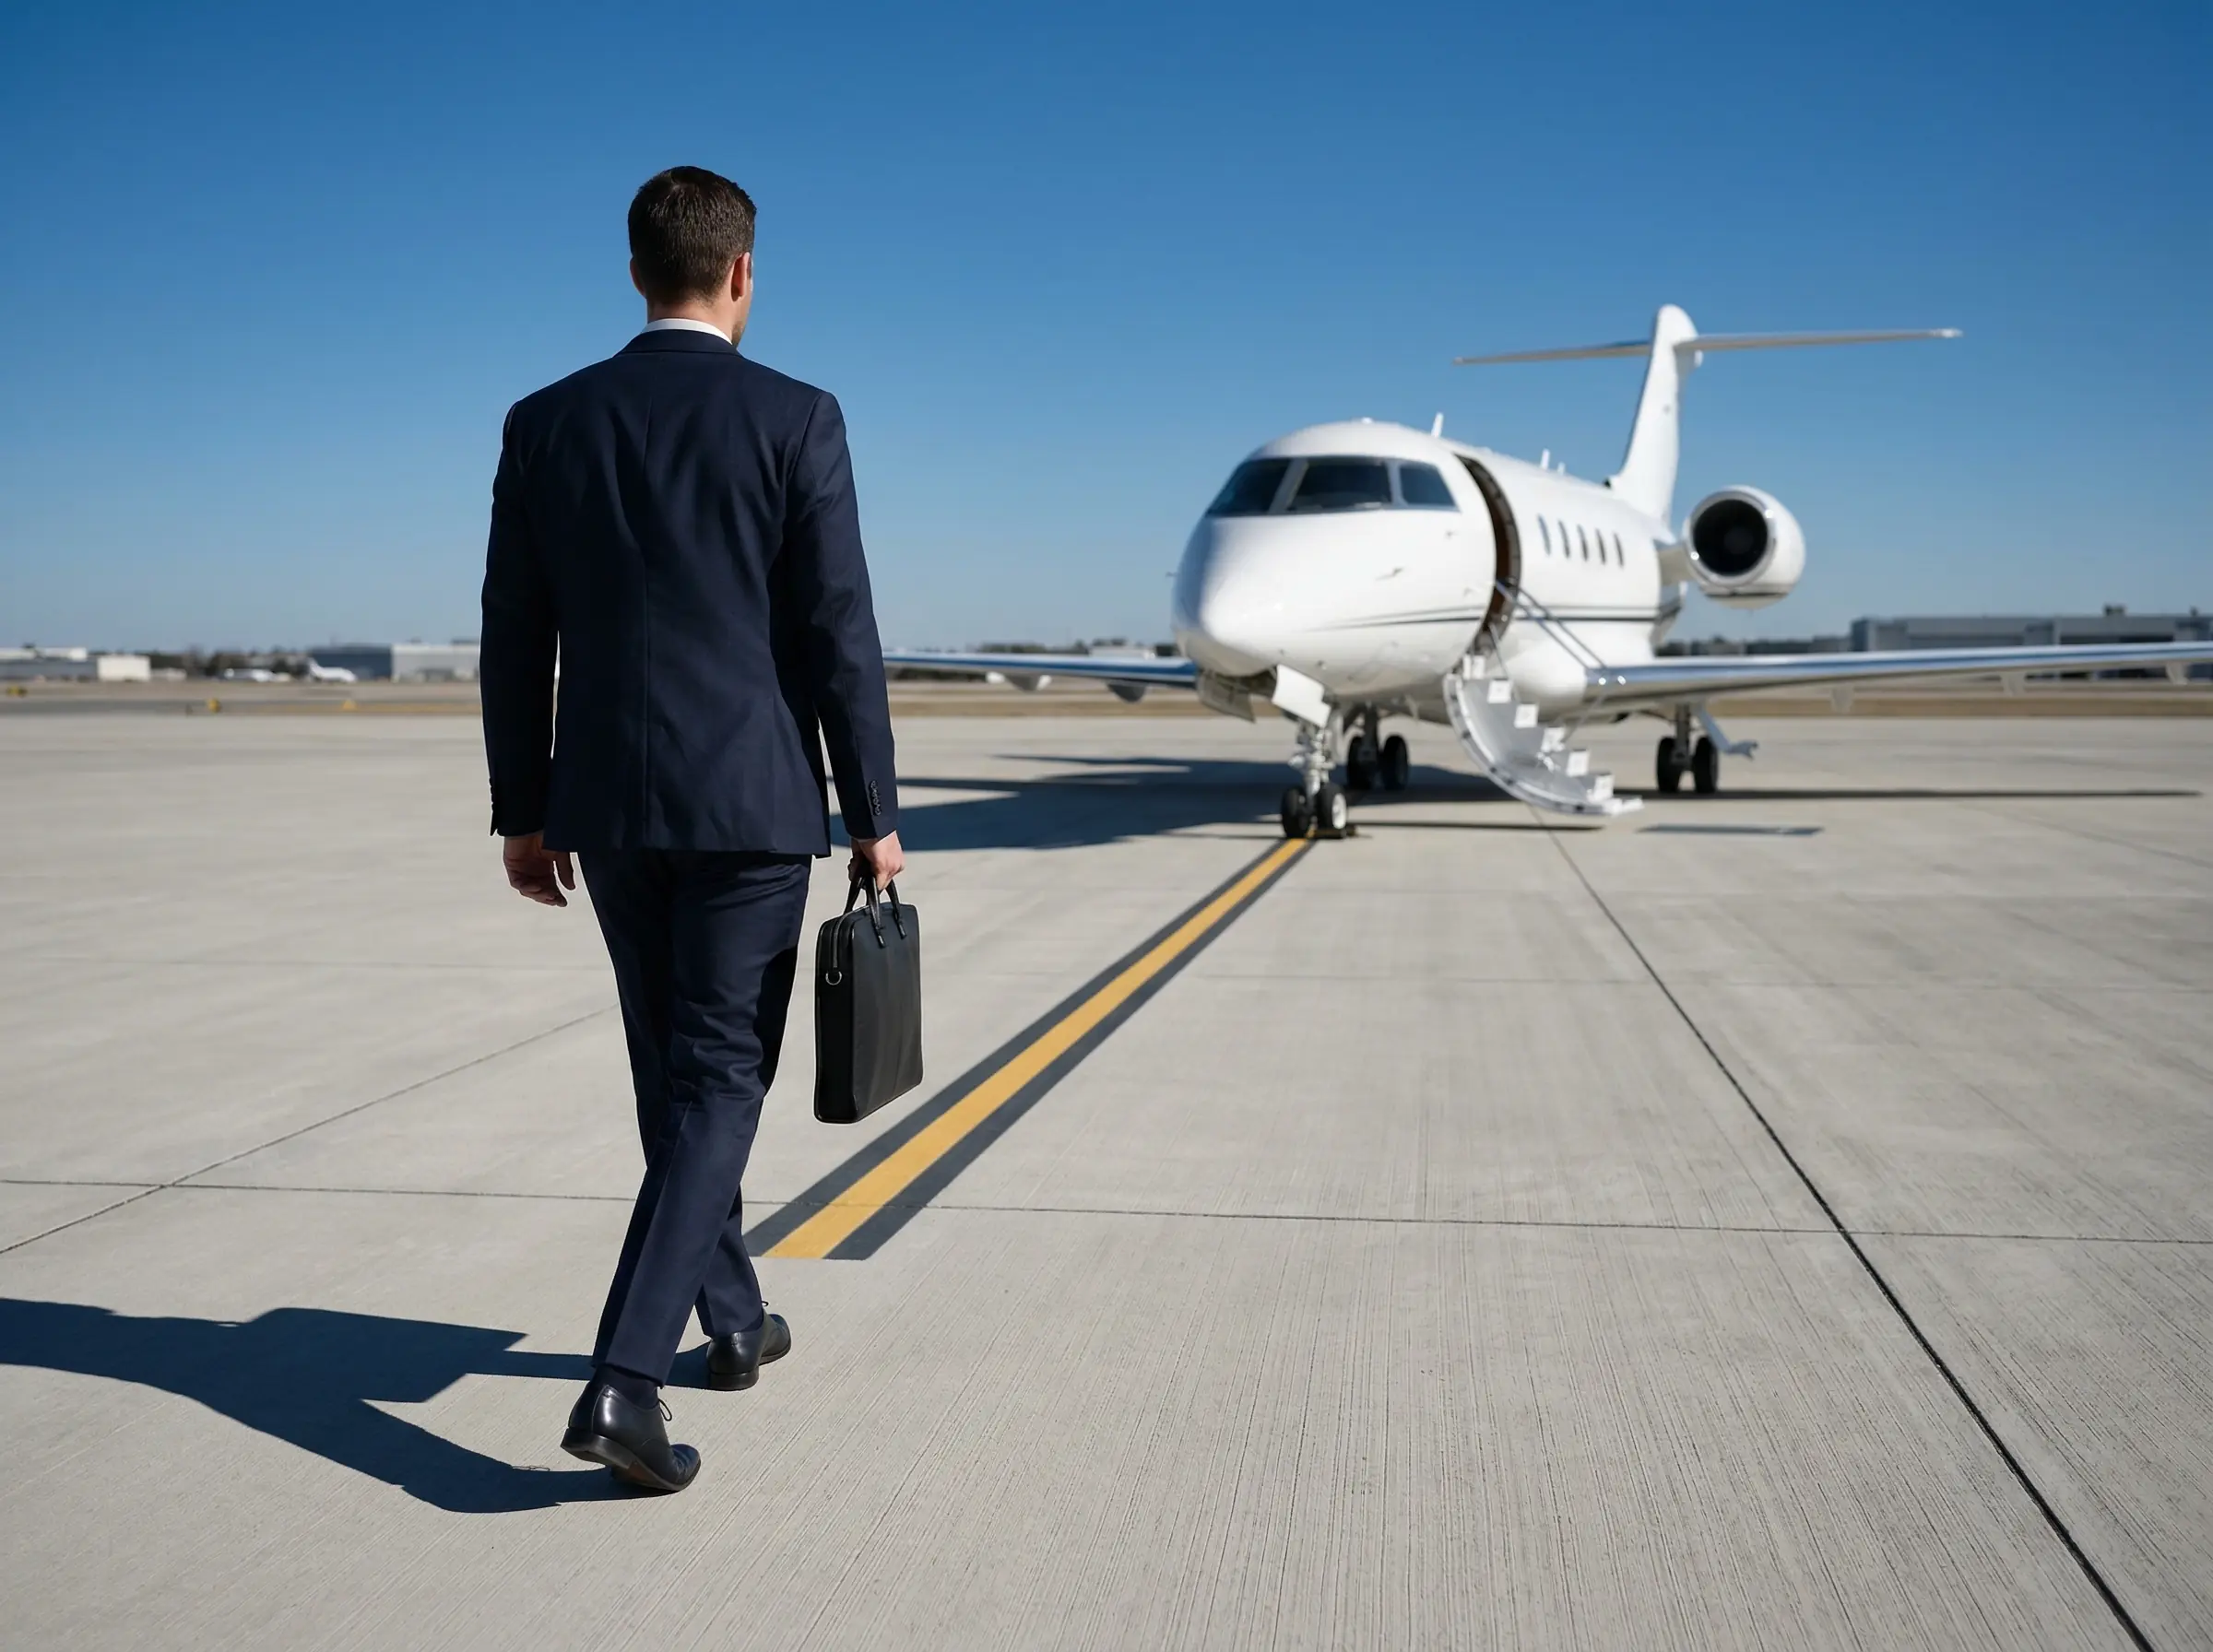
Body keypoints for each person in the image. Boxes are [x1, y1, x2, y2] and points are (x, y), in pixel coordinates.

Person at [479, 165, 903, 1493]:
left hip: (606, 808)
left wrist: (524, 807)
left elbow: (514, 637)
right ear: (741, 275)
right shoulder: (796, 417)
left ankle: (733, 1318)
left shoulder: (546, 421)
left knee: (675, 1078)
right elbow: (839, 632)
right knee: (719, 1085)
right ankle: (624, 1383)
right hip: (750, 805)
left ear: (634, 273)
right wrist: (875, 813)